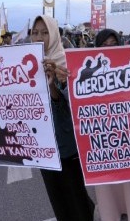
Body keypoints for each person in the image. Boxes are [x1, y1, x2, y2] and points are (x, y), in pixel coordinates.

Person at [31, 15, 95, 221]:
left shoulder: (66, 62)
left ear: (54, 34)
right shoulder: (24, 65)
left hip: (67, 143)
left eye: (44, 32)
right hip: (41, 145)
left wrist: (53, 83)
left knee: (74, 193)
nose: (38, 37)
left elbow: (75, 105)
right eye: (34, 32)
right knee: (56, 194)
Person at [83, 29, 130, 221]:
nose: (109, 49)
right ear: (97, 47)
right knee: (105, 180)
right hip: (101, 136)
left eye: (113, 44)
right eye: (104, 45)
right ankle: (110, 214)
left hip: (128, 134)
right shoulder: (87, 70)